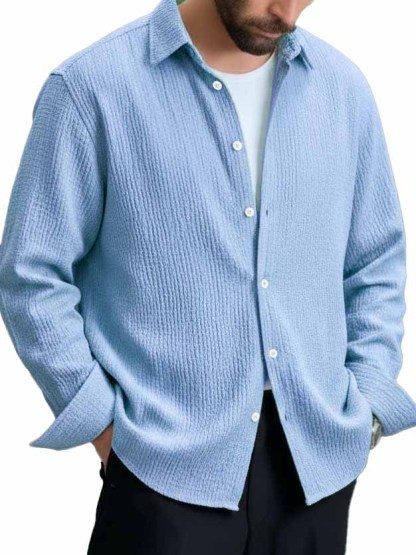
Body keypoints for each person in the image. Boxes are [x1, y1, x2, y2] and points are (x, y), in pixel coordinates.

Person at [0, 0, 414, 553]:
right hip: (160, 465)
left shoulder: (343, 90)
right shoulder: (92, 88)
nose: (287, 12)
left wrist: (367, 401)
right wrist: (103, 426)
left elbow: (375, 260)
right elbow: (32, 272)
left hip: (315, 464)